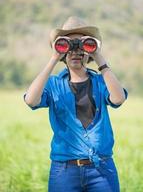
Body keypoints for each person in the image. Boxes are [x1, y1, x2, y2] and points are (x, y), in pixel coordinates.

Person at [24, 16, 128, 192]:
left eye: (82, 45)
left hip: (101, 170)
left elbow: (118, 98)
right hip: (64, 171)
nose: (76, 51)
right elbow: (31, 100)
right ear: (63, 51)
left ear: (89, 50)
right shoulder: (53, 84)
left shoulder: (102, 82)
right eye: (69, 45)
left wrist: (97, 55)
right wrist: (54, 58)